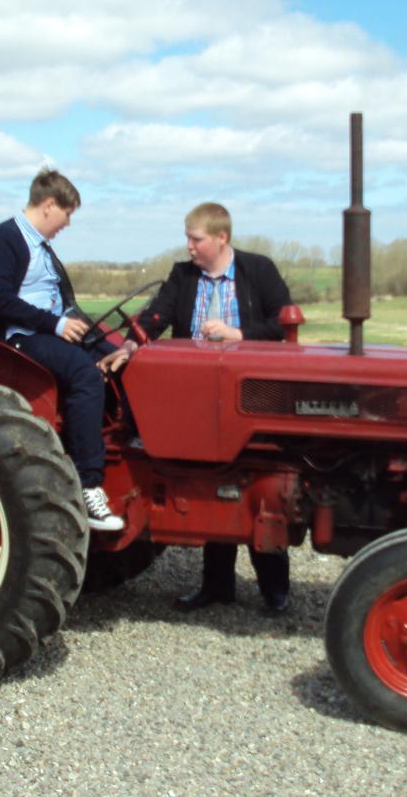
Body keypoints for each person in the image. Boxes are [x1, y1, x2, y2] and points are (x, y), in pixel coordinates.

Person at [101, 202, 292, 613]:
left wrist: (236, 332)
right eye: (187, 237)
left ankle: (275, 589)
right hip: (195, 396)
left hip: (248, 397)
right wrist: (132, 345)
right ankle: (217, 585)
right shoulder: (182, 276)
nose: (189, 246)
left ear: (221, 238)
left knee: (257, 477)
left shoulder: (259, 270)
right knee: (211, 480)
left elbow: (282, 325)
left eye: (196, 238)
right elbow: (155, 317)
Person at [0, 168, 131, 532]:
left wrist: (101, 340)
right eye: (67, 214)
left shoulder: (39, 247)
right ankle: (88, 484)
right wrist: (55, 324)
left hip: (46, 328)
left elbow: (62, 300)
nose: (67, 223)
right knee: (85, 374)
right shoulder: (2, 241)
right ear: (48, 205)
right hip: (16, 337)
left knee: (120, 359)